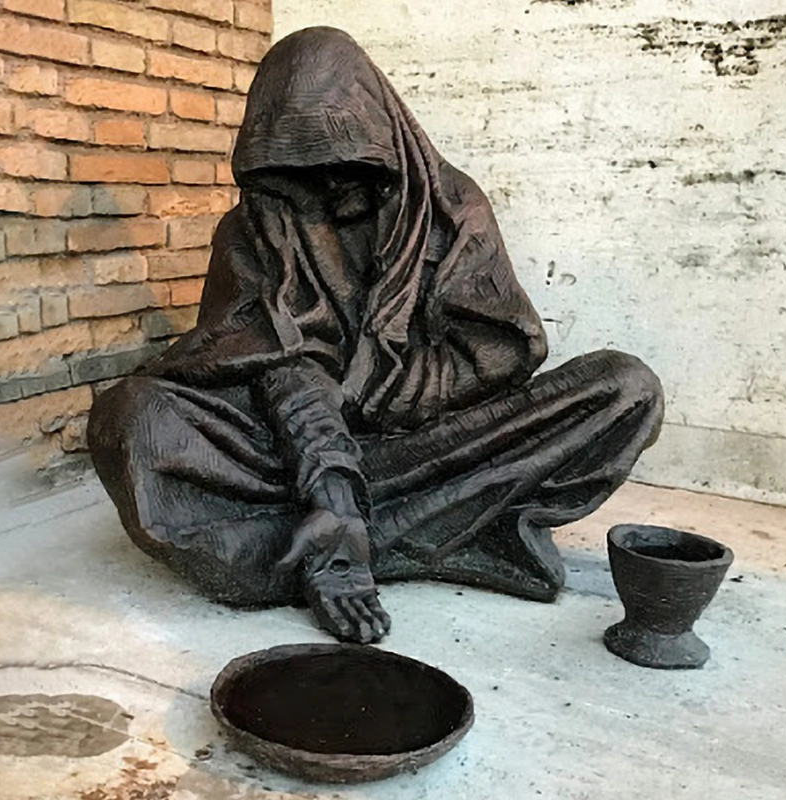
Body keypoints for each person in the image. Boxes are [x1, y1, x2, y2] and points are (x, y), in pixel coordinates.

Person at [88, 26, 665, 644]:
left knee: (624, 387)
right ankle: (397, 528)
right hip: (288, 446)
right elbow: (267, 363)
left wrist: (363, 392)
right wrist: (330, 485)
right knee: (130, 416)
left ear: (386, 134)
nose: (331, 187)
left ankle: (317, 545)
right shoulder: (253, 228)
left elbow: (496, 353)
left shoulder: (452, 209)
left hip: (428, 446)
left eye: (347, 163)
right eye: (303, 170)